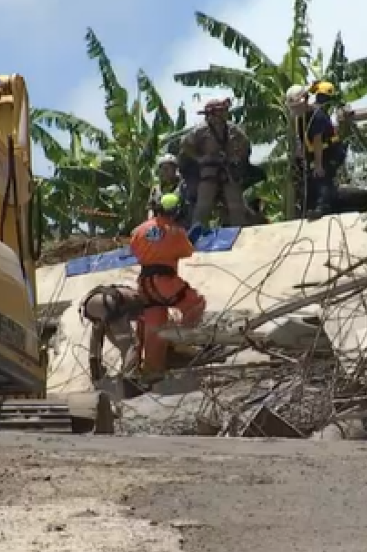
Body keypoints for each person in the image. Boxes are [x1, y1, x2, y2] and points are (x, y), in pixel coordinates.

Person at [130, 192, 207, 377]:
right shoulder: (176, 230)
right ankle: (182, 342)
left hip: (145, 283)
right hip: (165, 281)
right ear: (176, 211)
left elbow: (134, 249)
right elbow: (187, 251)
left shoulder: (138, 230)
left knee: (155, 328)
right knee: (195, 304)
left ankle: (152, 372)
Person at [179, 98, 253, 228]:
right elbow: (185, 144)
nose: (225, 113)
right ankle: (197, 233)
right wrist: (199, 158)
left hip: (229, 170)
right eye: (221, 111)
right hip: (209, 170)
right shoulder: (200, 130)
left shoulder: (232, 128)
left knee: (236, 205)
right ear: (211, 114)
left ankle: (240, 231)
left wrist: (237, 157)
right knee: (203, 206)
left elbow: (245, 143)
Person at [288, 81, 347, 220]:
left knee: (322, 176)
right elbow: (303, 141)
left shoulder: (317, 116)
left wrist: (319, 165)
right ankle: (309, 207)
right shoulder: (301, 117)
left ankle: (322, 208)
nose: (295, 110)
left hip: (331, 153)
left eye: (296, 106)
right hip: (316, 154)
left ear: (304, 102)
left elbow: (318, 142)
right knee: (310, 180)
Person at [79, 284, 146, 387]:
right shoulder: (143, 302)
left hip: (90, 304)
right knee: (130, 345)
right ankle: (130, 381)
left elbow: (97, 338)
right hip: (111, 303)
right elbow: (143, 332)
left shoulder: (127, 291)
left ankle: (96, 371)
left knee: (97, 337)